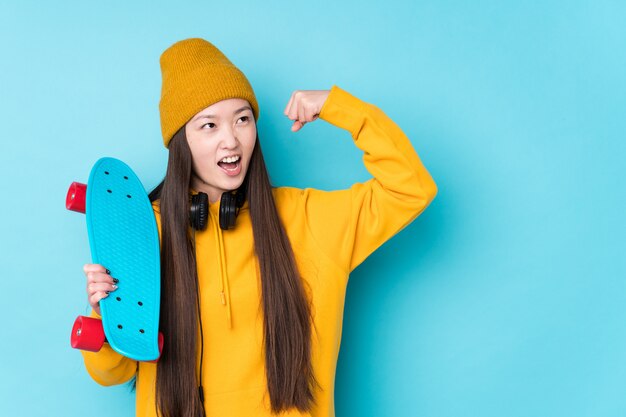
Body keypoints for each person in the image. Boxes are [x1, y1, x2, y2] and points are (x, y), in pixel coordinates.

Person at [80, 37, 438, 417]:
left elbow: (411, 188)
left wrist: (339, 107)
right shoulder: (145, 231)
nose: (231, 139)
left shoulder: (308, 219)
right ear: (180, 141)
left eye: (242, 119)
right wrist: (105, 310)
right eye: (209, 125)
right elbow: (111, 373)